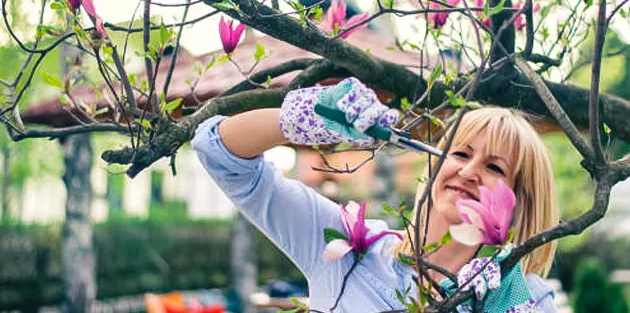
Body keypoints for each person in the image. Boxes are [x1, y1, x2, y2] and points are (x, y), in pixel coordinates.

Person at [192, 77, 559, 312]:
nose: (468, 171)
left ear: (521, 201)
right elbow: (220, 154)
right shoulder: (348, 249)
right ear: (434, 166)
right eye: (461, 153)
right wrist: (306, 119)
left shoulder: (521, 297)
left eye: (494, 168)